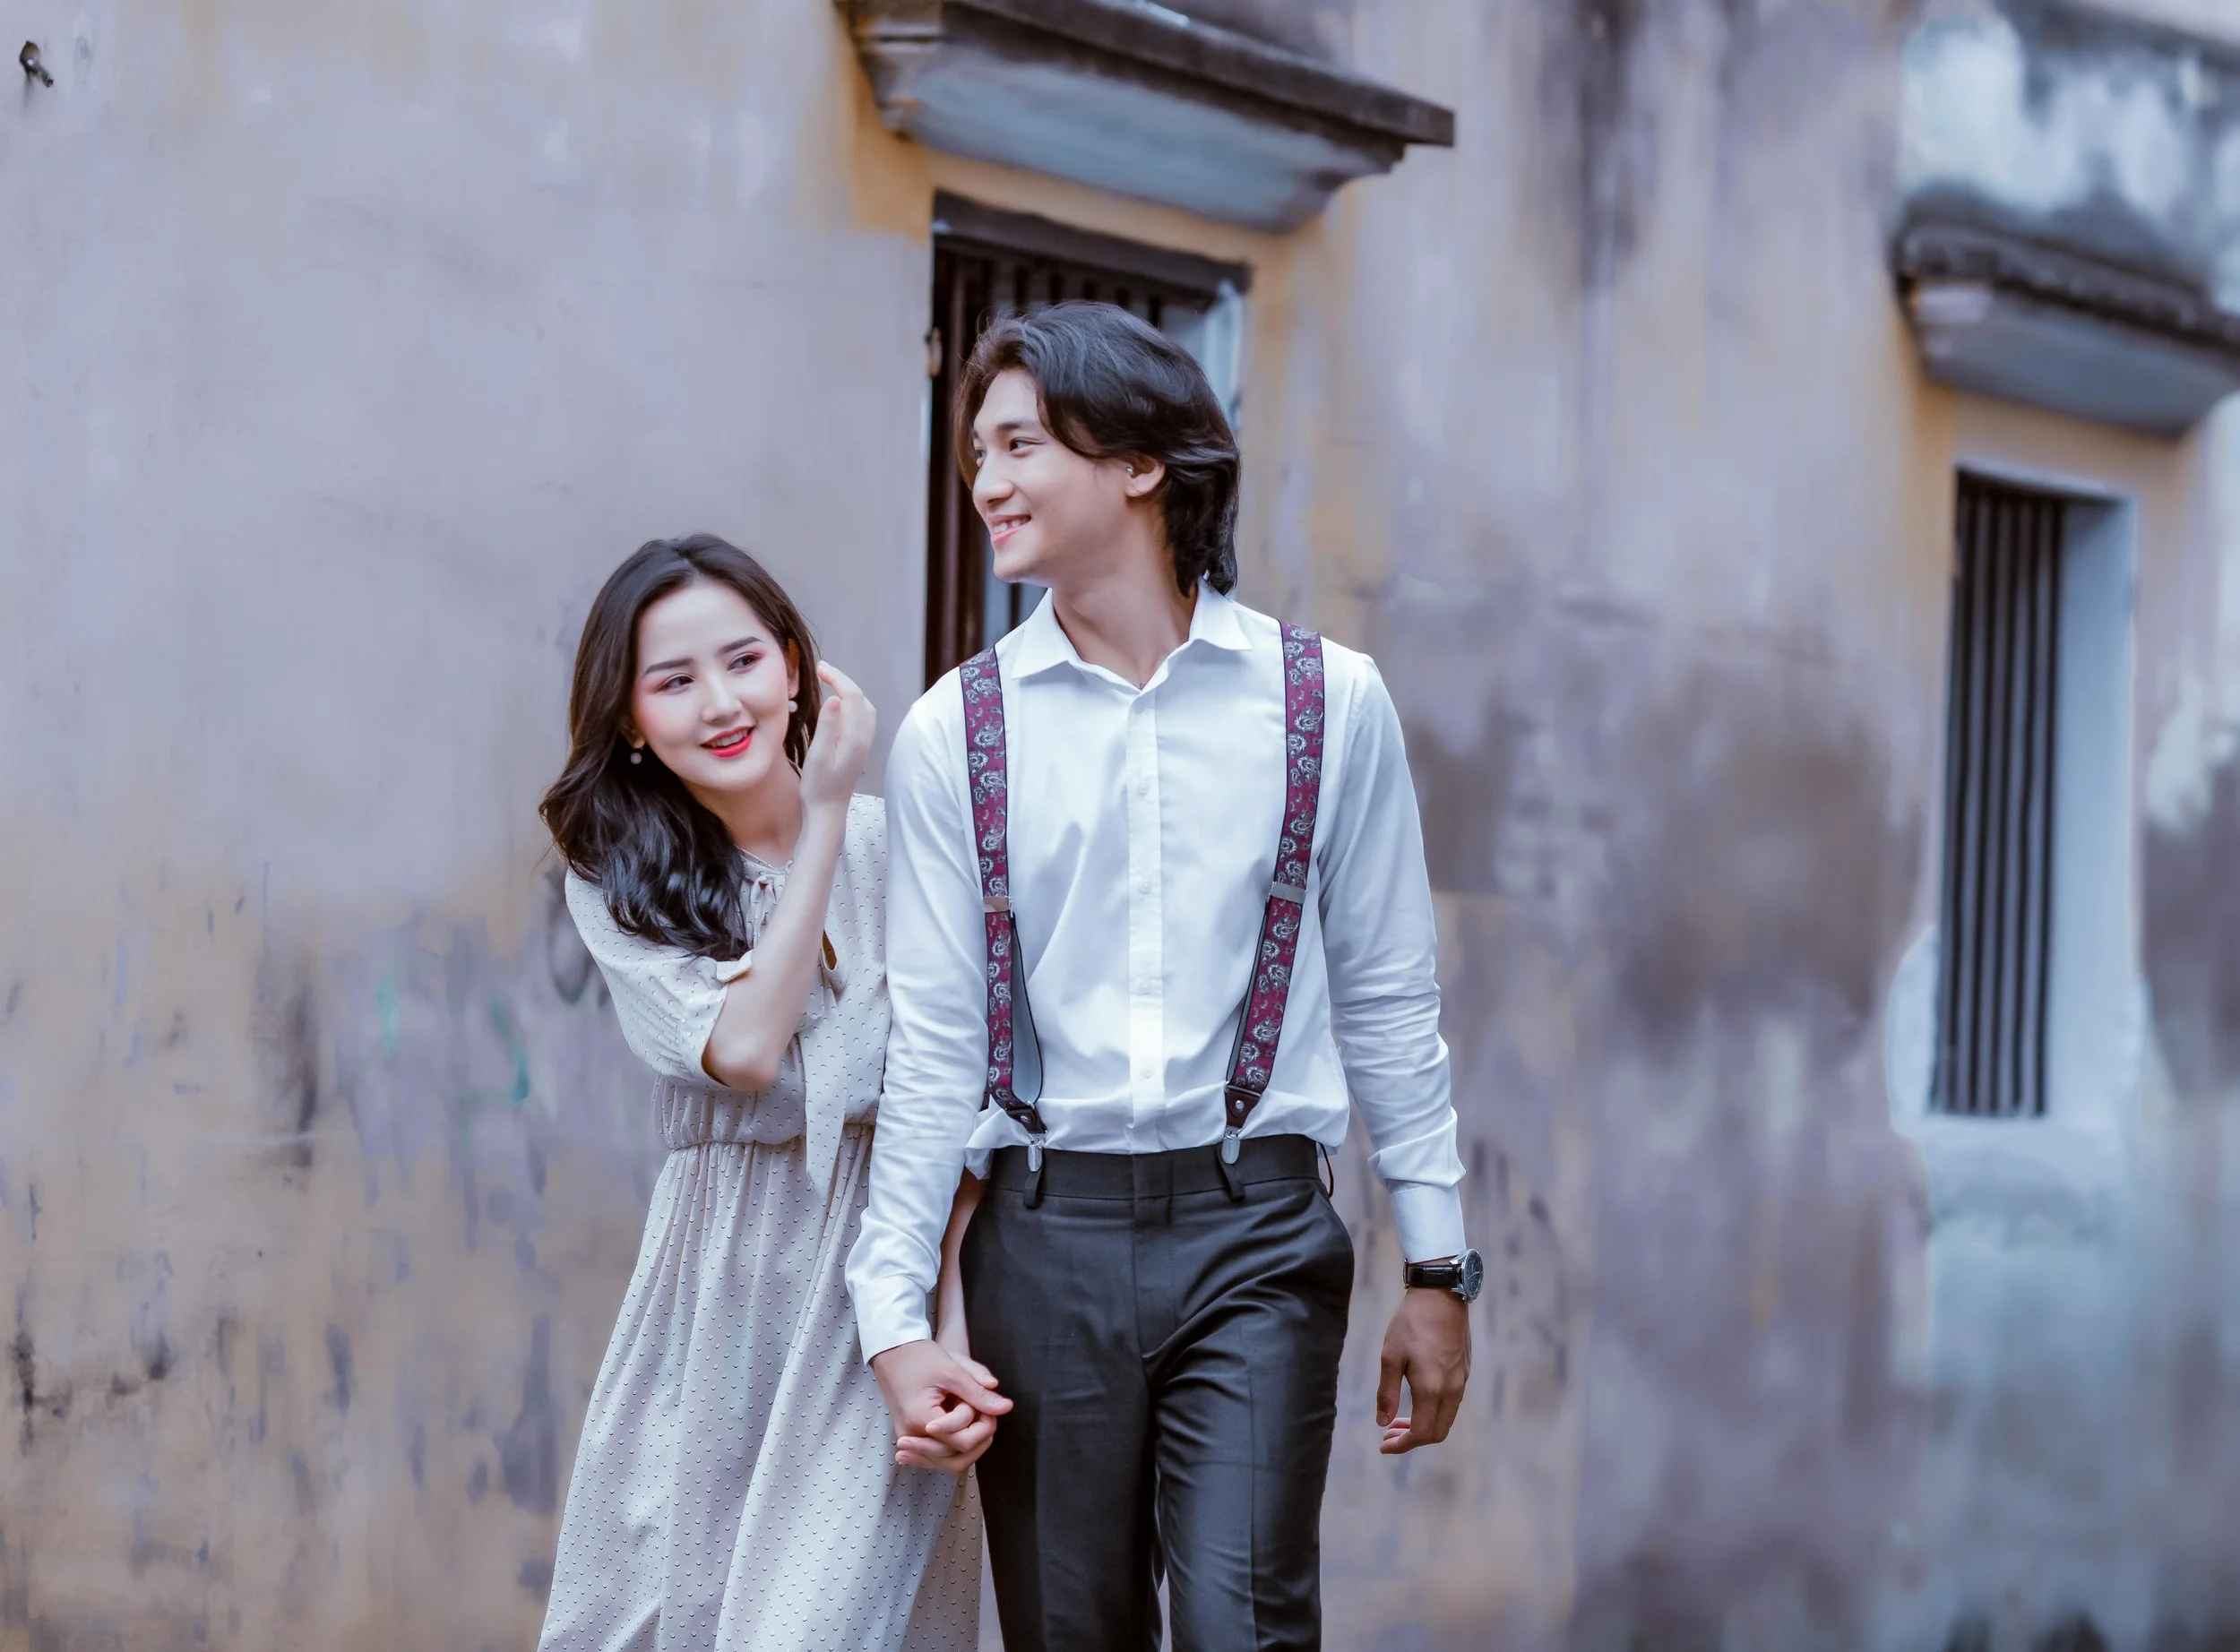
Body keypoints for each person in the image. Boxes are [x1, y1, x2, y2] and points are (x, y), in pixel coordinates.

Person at [848, 304, 1485, 1651]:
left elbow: (1386, 992)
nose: (987, 483)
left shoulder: (1329, 702)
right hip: (1043, 1237)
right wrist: (891, 1313)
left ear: (1141, 461)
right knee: (1071, 1633)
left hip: (1255, 1225)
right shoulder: (954, 732)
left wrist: (1440, 1264)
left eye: (1020, 444)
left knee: (1246, 1625)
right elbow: (938, 1046)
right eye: (977, 455)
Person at [536, 535, 987, 1652]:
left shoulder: (922, 850)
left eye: (743, 660)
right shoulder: (616, 876)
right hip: (716, 1294)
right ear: (631, 719)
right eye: (673, 679)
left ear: (794, 666)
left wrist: (948, 1324)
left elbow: (974, 1111)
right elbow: (742, 1049)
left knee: (825, 1625)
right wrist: (824, 809)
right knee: (656, 1618)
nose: (720, 701)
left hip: (884, 1285)